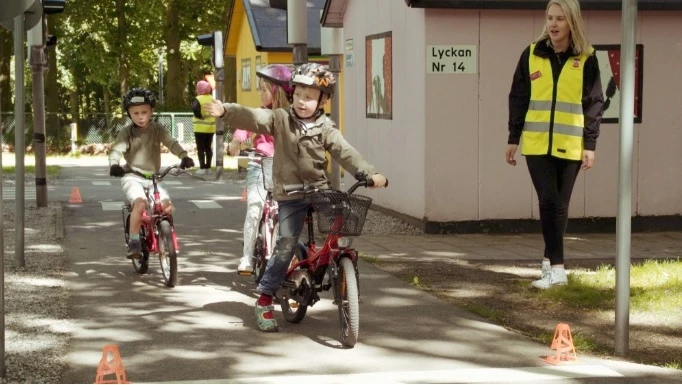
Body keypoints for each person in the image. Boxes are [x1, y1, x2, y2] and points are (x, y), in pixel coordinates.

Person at [206, 63, 388, 331]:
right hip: (290, 194)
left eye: (310, 97)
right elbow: (254, 117)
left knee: (341, 219)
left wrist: (370, 173)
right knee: (285, 244)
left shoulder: (326, 127)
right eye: (299, 95)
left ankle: (332, 267)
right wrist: (226, 111)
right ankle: (265, 299)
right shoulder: (280, 118)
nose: (303, 102)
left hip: (318, 188)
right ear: (291, 96)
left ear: (322, 101)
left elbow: (345, 151)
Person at [505, 0, 604, 289]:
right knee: (549, 201)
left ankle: (549, 262)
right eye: (550, 18)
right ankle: (558, 269)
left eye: (560, 18)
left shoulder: (587, 58)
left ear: (572, 22)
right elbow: (518, 97)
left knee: (560, 205)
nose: (553, 24)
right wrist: (514, 137)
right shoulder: (532, 54)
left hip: (571, 144)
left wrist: (590, 144)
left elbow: (594, 103)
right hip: (536, 145)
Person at [109, 87, 195, 258]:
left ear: (151, 111)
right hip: (132, 177)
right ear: (129, 114)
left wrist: (184, 156)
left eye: (144, 112)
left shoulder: (157, 129)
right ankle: (134, 242)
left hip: (154, 178)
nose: (140, 116)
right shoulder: (127, 132)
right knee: (140, 204)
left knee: (167, 207)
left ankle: (164, 235)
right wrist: (114, 164)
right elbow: (116, 150)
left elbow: (171, 142)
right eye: (135, 113)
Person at [229, 64, 294, 275]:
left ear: (277, 92)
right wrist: (236, 141)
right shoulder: (258, 113)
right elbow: (243, 127)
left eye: (264, 89)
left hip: (283, 169)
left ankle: (287, 258)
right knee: (255, 207)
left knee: (284, 213)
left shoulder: (290, 116)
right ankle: (247, 256)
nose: (260, 93)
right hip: (259, 164)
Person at [191, 80, 216, 175]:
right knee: (208, 148)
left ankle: (202, 167)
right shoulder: (212, 99)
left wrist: (201, 116)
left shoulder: (198, 99)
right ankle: (208, 167)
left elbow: (196, 111)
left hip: (200, 128)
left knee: (200, 148)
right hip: (211, 128)